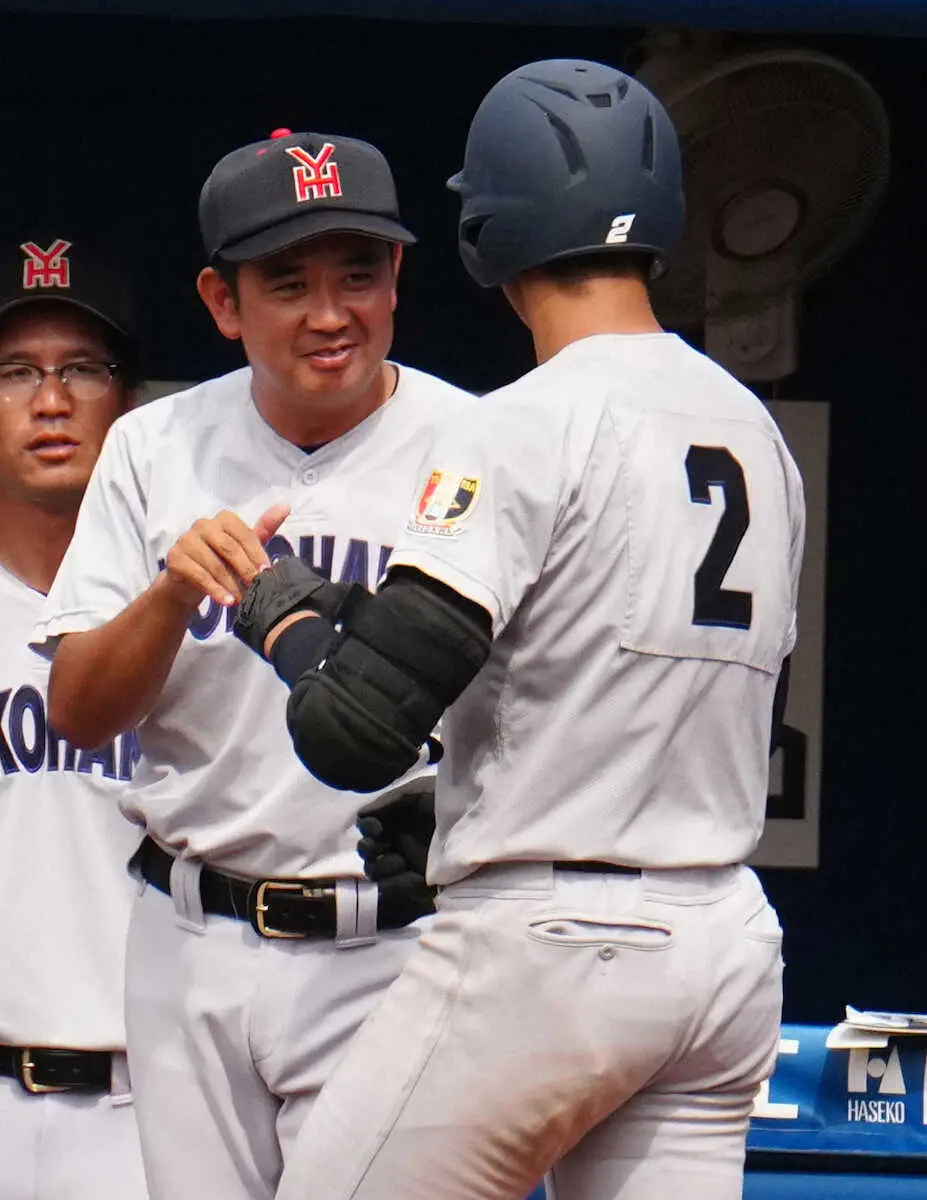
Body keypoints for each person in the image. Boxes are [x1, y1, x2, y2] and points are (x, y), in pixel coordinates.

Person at [232, 61, 806, 1200]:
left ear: (486, 233)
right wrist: (461, 806)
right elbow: (646, 696)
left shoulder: (527, 424)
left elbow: (351, 734)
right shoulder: (757, 434)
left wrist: (284, 615)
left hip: (553, 949)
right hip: (724, 952)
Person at [31, 130, 472, 1200]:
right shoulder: (156, 447)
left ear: (398, 278)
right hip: (191, 940)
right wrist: (174, 591)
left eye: (357, 275)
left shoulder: (478, 441)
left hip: (393, 943)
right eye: (289, 283)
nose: (331, 313)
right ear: (223, 303)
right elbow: (80, 714)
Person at [0, 234, 148, 1198]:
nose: (50, 401)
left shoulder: (185, 610)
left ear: (129, 402)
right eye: (15, 371)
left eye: (81, 368)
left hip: (156, 1105)